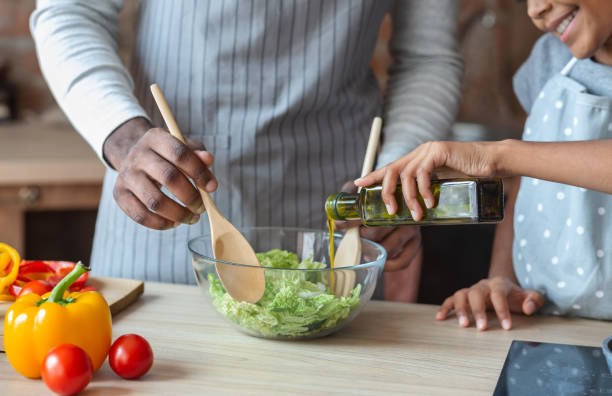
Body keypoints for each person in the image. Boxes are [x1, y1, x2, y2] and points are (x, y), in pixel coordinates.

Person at [30, 1, 463, 296]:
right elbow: (69, 11)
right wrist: (122, 136)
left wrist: (397, 172)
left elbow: (429, 58)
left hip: (338, 221)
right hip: (161, 202)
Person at [356, 0, 612, 324]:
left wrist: (497, 156)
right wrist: (502, 279)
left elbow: (515, 164)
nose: (536, 10)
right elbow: (527, 184)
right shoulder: (550, 60)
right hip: (551, 328)